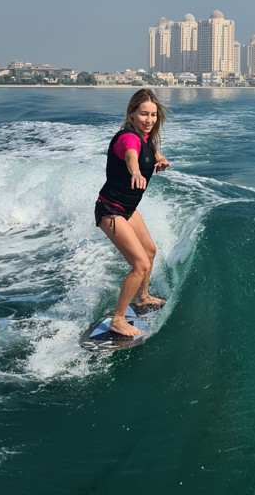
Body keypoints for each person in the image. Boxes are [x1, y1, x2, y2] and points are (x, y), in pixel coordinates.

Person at [95, 88, 170, 337]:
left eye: (153, 115)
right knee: (139, 264)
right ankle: (118, 319)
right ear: (131, 113)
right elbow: (131, 155)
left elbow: (148, 152)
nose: (149, 120)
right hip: (110, 210)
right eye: (143, 114)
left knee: (150, 251)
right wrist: (135, 171)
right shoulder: (129, 138)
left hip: (127, 208)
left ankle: (142, 297)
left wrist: (159, 159)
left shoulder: (146, 138)